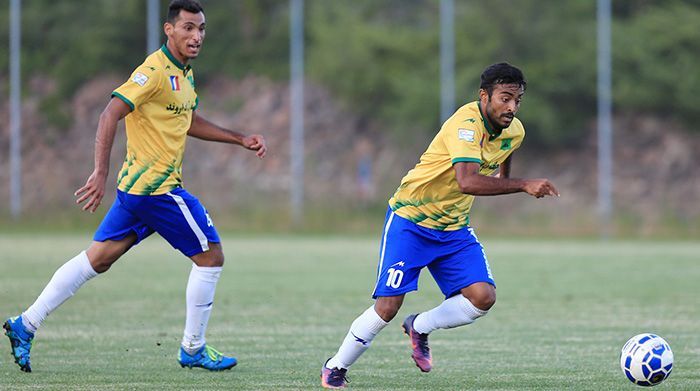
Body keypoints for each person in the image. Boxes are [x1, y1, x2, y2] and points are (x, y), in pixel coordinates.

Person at [4, 0, 267, 373]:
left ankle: (24, 324)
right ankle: (192, 348)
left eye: (202, 28)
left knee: (97, 259)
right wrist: (99, 172)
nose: (196, 36)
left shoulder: (184, 74)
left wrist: (238, 138)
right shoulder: (154, 71)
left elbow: (186, 120)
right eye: (189, 28)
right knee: (211, 257)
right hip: (156, 191)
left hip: (137, 192)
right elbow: (111, 111)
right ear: (169, 30)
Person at [321, 63, 559, 388]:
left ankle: (419, 325)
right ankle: (336, 367)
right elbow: (467, 182)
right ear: (484, 95)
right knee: (388, 307)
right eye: (505, 98)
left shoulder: (515, 129)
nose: (512, 107)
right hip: (411, 221)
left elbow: (505, 151)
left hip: (453, 229)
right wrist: (522, 184)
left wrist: (508, 179)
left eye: (517, 100)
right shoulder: (465, 124)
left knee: (482, 297)